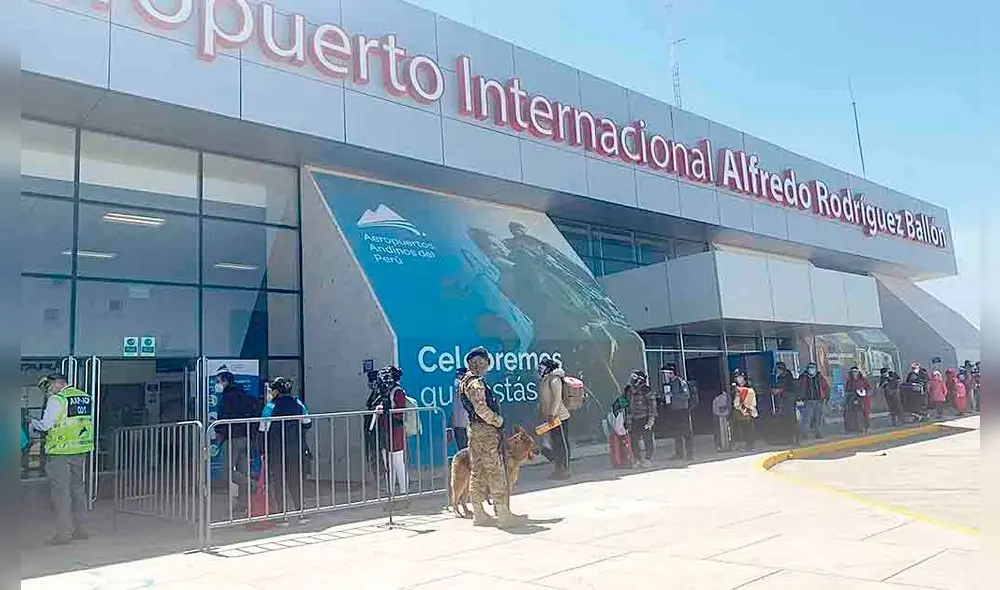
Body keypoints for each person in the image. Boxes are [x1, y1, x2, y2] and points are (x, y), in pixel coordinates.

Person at [459, 346, 524, 528]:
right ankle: (502, 513)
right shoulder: (476, 383)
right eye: (482, 362)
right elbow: (481, 409)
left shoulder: (464, 381)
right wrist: (498, 421)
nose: (483, 366)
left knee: (477, 471)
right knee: (495, 471)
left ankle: (479, 513)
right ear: (481, 363)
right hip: (485, 431)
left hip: (474, 430)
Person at [31, 374, 94, 545]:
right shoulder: (84, 396)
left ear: (58, 383)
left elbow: (46, 425)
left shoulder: (57, 399)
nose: (48, 391)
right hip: (80, 449)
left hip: (60, 451)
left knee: (61, 492)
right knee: (78, 489)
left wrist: (33, 423)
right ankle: (81, 528)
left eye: (49, 386)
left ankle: (63, 533)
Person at [259, 377, 311, 525]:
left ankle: (282, 516)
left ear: (276, 391)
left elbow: (263, 430)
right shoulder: (297, 403)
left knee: (279, 482)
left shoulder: (270, 407)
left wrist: (262, 450)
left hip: (276, 450)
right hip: (295, 448)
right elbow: (307, 423)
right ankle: (302, 514)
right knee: (295, 481)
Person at [217, 370, 262, 507]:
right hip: (246, 437)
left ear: (226, 381)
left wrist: (220, 434)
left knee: (226, 472)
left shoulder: (227, 397)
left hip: (232, 437)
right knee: (242, 471)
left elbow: (223, 417)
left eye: (219, 381)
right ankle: (244, 503)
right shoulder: (245, 396)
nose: (217, 384)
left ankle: (253, 484)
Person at [374, 365, 409, 497]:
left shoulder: (398, 392)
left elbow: (400, 413)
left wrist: (385, 411)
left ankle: (404, 492)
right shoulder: (385, 393)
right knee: (388, 465)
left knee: (398, 462)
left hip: (395, 431)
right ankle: (391, 492)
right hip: (385, 430)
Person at [537, 357, 572, 480]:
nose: (539, 369)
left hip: (559, 418)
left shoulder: (555, 379)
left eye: (542, 367)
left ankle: (565, 469)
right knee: (552, 445)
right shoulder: (545, 380)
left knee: (561, 444)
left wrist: (552, 414)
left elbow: (557, 399)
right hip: (550, 419)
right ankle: (558, 468)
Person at [661, 364, 695, 462]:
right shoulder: (668, 383)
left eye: (666, 373)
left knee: (686, 433)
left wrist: (673, 395)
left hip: (682, 410)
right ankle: (679, 453)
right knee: (677, 433)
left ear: (671, 373)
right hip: (674, 410)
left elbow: (686, 395)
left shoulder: (680, 381)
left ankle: (689, 454)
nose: (664, 375)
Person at [624, 370, 657, 467]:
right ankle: (637, 459)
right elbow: (626, 404)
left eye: (634, 377)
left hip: (645, 418)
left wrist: (651, 419)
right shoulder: (629, 390)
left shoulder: (646, 390)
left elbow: (652, 405)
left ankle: (647, 459)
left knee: (648, 439)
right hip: (634, 419)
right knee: (634, 439)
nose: (631, 379)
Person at [796, 362, 829, 439]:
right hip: (808, 401)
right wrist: (799, 398)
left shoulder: (819, 377)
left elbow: (826, 387)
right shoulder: (803, 377)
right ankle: (804, 434)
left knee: (818, 418)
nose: (811, 369)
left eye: (813, 367)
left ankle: (818, 433)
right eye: (810, 367)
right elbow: (799, 387)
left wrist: (826, 397)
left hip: (819, 400)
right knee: (806, 418)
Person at [773, 362, 800, 445]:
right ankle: (790, 439)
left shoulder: (787, 377)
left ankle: (795, 439)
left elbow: (787, 388)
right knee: (786, 421)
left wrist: (780, 390)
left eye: (778, 369)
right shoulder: (781, 377)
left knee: (791, 420)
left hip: (789, 401)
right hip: (784, 402)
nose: (776, 370)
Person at [731, 369, 758, 451]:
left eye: (739, 377)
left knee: (748, 428)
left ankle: (750, 445)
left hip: (747, 409)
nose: (737, 379)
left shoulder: (748, 387)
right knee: (741, 428)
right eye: (736, 377)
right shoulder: (736, 387)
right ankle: (744, 444)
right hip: (739, 410)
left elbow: (750, 399)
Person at [844, 366, 872, 434]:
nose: (854, 373)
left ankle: (867, 427)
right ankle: (858, 428)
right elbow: (847, 390)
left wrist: (864, 391)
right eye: (853, 372)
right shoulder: (849, 381)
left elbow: (869, 388)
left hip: (864, 399)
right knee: (855, 414)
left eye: (855, 372)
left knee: (865, 413)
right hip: (854, 400)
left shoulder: (863, 380)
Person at [451, 368, 470, 452]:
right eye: (457, 376)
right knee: (462, 451)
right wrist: (451, 425)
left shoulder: (470, 389)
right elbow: (454, 409)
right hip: (458, 426)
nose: (458, 379)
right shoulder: (455, 392)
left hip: (468, 425)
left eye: (460, 376)